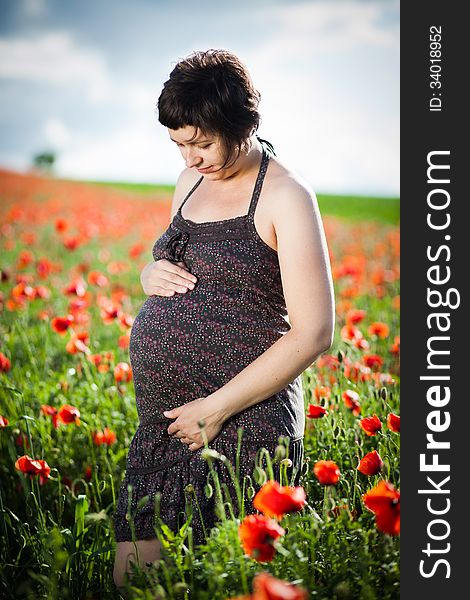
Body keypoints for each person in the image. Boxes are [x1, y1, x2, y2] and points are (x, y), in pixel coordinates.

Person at [113, 49, 334, 594]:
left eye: (203, 142)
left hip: (243, 419)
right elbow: (177, 264)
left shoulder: (286, 195)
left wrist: (215, 410)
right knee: (133, 582)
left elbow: (314, 332)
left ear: (245, 124)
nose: (191, 158)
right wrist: (149, 275)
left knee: (234, 582)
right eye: (179, 144)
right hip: (165, 423)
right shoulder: (187, 182)